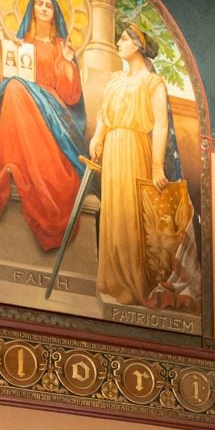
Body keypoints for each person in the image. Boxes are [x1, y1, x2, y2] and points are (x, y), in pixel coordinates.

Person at [0, 0, 88, 253]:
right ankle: (14, 163)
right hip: (24, 102)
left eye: (48, 6)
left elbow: (70, 94)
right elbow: (8, 80)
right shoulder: (23, 42)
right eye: (39, 4)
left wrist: (67, 62)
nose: (43, 8)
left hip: (52, 109)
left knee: (19, 89)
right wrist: (15, 56)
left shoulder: (60, 46)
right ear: (31, 10)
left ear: (54, 14)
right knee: (16, 88)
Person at [89, 21, 173, 307]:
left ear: (137, 45)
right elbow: (103, 113)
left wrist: (157, 166)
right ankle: (112, 279)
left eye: (123, 39)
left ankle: (133, 280)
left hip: (136, 148)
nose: (119, 43)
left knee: (130, 210)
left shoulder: (152, 83)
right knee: (113, 210)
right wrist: (99, 136)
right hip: (113, 147)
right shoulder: (115, 80)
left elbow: (161, 125)